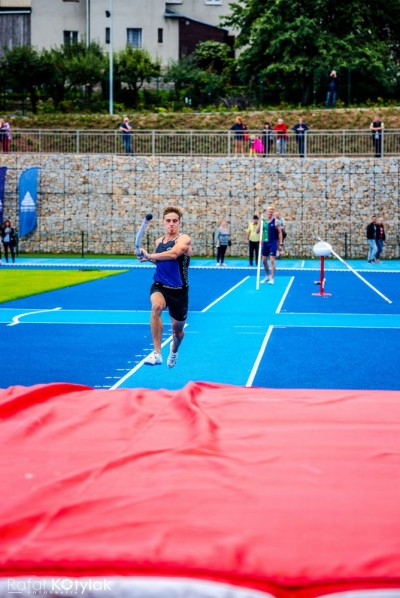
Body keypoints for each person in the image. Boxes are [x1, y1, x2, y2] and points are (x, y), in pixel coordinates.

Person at [136, 206, 192, 367]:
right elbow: (159, 260)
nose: (171, 224)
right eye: (168, 221)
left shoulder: (184, 239)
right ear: (163, 223)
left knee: (178, 332)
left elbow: (174, 254)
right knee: (156, 307)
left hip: (179, 292)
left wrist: (150, 255)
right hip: (160, 286)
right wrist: (145, 257)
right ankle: (157, 353)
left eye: (175, 221)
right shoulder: (159, 241)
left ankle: (174, 351)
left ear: (179, 223)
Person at [257, 206, 283, 285]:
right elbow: (257, 231)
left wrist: (280, 243)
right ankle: (267, 276)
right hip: (265, 243)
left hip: (272, 242)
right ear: (266, 212)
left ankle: (272, 278)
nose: (270, 213)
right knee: (264, 260)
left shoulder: (276, 221)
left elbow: (280, 232)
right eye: (269, 212)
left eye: (271, 212)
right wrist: (260, 223)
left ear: (273, 213)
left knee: (272, 260)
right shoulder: (263, 221)